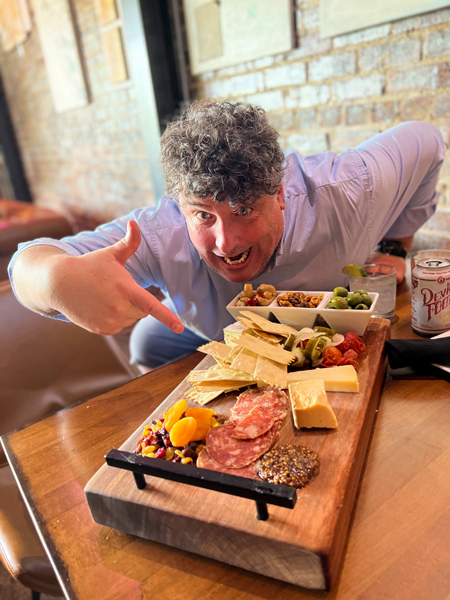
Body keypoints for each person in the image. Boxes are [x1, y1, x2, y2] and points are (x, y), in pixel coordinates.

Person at [9, 100, 445, 371]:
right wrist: (56, 281)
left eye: (243, 210)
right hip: (215, 331)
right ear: (179, 203)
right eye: (202, 215)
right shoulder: (157, 232)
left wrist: (395, 244)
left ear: (279, 193)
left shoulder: (351, 188)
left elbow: (426, 140)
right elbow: (27, 262)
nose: (226, 243)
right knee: (145, 340)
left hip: (330, 331)